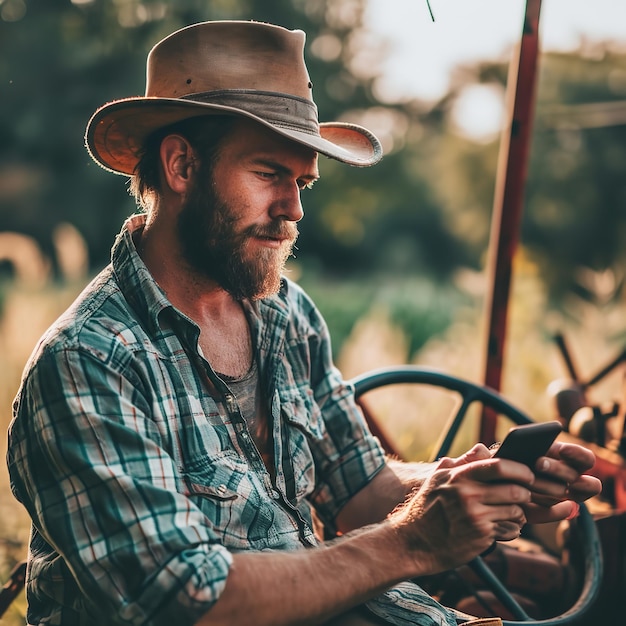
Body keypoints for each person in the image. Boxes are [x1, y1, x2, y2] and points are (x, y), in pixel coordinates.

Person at [7, 20, 601, 626]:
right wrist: (416, 540)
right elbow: (186, 602)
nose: (294, 209)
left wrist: (476, 488)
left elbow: (362, 488)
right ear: (181, 165)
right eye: (270, 174)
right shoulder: (90, 361)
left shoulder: (286, 315)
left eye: (303, 182)